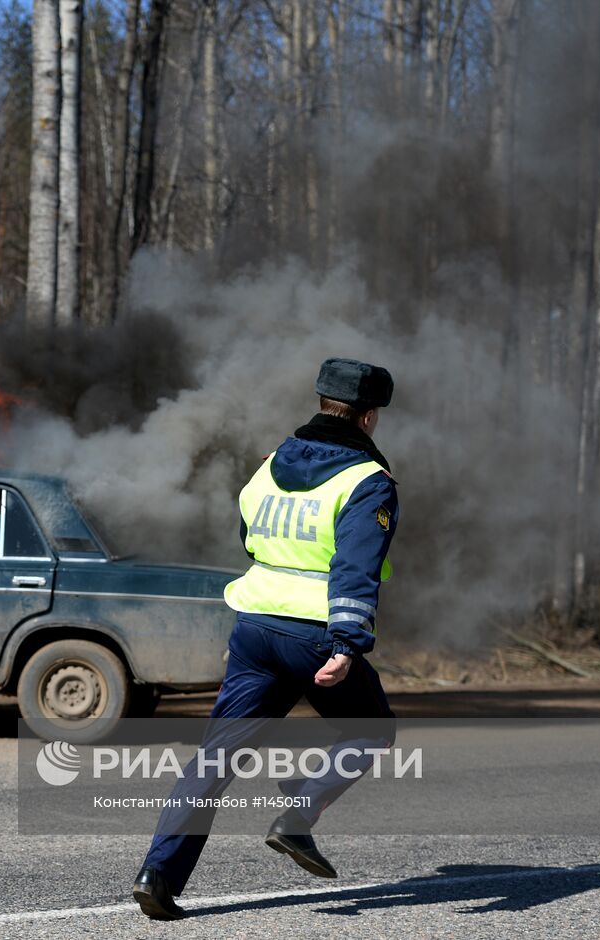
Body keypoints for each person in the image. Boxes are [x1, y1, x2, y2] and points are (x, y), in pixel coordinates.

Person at [132, 357, 401, 921]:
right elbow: (355, 569)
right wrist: (348, 645)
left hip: (254, 628)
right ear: (369, 417)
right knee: (373, 729)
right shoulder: (367, 481)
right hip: (314, 635)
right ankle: (298, 815)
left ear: (324, 402)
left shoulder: (273, 464)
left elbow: (250, 539)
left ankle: (158, 875)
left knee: (214, 758)